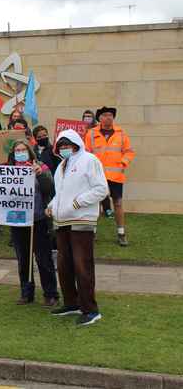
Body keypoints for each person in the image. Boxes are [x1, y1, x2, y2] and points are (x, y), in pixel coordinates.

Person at [46, 130, 108, 326]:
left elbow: (101, 189)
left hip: (82, 220)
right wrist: (51, 206)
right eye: (61, 145)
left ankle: (90, 309)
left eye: (67, 144)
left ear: (76, 144)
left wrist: (77, 203)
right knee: (64, 266)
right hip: (62, 221)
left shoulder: (89, 160)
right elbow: (61, 194)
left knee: (82, 265)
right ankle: (71, 303)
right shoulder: (61, 166)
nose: (64, 148)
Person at [8, 141, 59, 307]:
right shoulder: (8, 170)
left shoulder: (41, 166)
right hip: (17, 220)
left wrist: (40, 174)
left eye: (23, 149)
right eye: (17, 150)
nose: (20, 152)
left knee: (43, 259)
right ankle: (26, 293)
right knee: (23, 259)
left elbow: (50, 188)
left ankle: (51, 294)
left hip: (38, 220)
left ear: (29, 152)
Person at [84, 107, 135, 246]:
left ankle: (121, 233)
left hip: (115, 176)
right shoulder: (91, 133)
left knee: (117, 203)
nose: (108, 117)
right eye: (105, 115)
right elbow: (86, 152)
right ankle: (92, 232)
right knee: (96, 204)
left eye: (111, 115)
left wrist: (123, 163)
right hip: (97, 176)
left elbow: (129, 152)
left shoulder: (121, 133)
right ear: (99, 118)